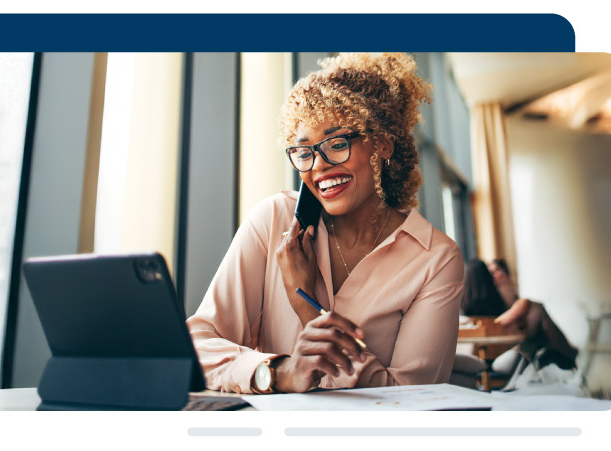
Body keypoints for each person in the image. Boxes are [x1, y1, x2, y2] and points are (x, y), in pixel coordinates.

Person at [186, 53, 464, 394]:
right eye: (304, 152)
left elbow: (412, 398)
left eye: (337, 144)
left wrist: (307, 307)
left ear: (382, 143)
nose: (319, 166)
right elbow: (195, 345)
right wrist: (278, 372)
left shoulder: (435, 258)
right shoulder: (273, 221)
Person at [461, 259, 578, 371]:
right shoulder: (512, 309)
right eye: (491, 273)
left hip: (481, 363)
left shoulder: (463, 314)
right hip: (506, 359)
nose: (496, 277)